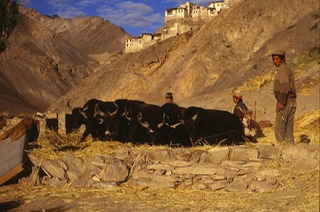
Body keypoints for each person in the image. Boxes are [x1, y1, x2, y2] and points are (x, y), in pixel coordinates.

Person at [272, 50, 297, 143]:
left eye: (276, 59)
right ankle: (290, 151)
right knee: (289, 129)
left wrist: (281, 102)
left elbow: (285, 85)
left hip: (286, 101)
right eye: (273, 59)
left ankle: (281, 152)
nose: (274, 61)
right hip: (291, 100)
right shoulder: (287, 69)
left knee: (279, 129)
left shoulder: (282, 70)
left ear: (282, 59)